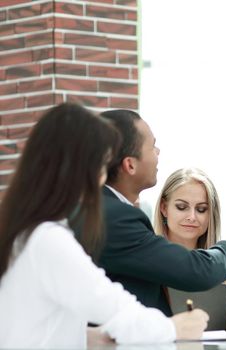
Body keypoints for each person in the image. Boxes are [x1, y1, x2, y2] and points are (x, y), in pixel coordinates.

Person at [0, 103, 209, 348]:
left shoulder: (22, 233)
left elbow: (37, 322)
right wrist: (176, 326)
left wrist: (87, 338)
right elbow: (115, 308)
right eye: (102, 164)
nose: (103, 175)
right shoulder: (49, 240)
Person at [92, 109, 226, 318]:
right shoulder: (115, 217)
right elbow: (193, 271)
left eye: (201, 209)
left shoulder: (100, 208)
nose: (158, 152)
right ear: (130, 164)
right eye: (152, 146)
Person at [153, 168, 226, 336]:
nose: (192, 217)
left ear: (211, 214)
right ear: (164, 208)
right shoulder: (148, 265)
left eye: (201, 209)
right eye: (181, 207)